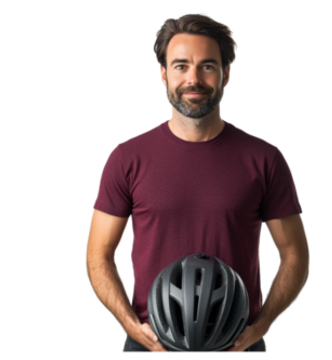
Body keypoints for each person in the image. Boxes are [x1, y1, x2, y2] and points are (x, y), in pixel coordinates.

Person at [84, 12, 310, 353]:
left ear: (226, 74)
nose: (193, 78)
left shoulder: (264, 158)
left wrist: (261, 325)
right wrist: (132, 326)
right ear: (162, 75)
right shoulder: (126, 157)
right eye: (180, 66)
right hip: (150, 342)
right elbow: (98, 256)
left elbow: (295, 254)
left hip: (238, 343)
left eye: (207, 66)